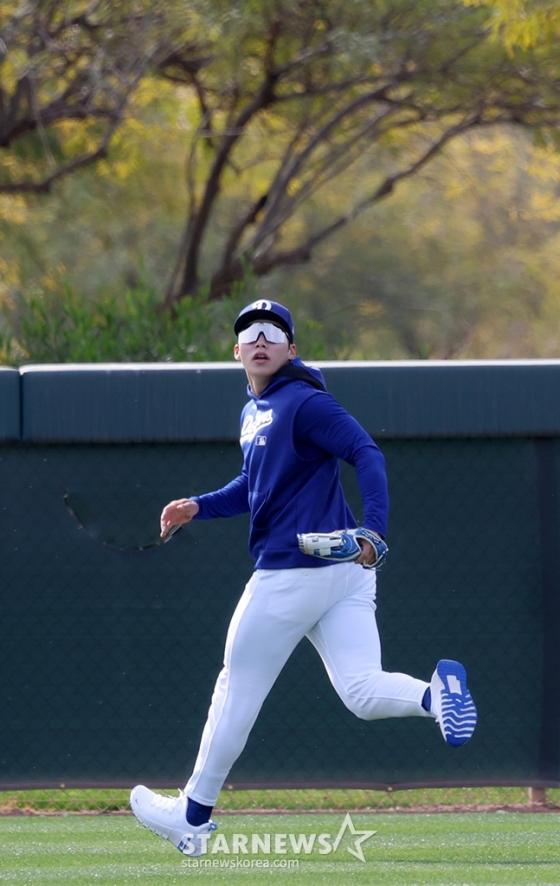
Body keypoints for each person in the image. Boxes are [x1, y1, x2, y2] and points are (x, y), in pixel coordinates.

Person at [130, 299, 477, 856]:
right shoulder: (255, 412)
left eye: (274, 332)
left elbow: (366, 452)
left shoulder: (302, 401)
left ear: (291, 349)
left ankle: (192, 816)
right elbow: (253, 486)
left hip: (296, 574)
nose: (261, 339)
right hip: (341, 578)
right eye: (250, 332)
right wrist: (199, 505)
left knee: (235, 688)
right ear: (237, 351)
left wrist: (374, 531)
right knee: (362, 690)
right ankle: (438, 696)